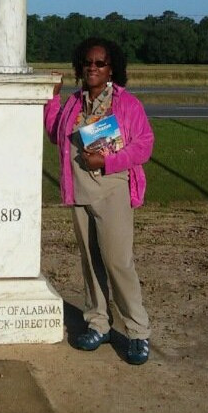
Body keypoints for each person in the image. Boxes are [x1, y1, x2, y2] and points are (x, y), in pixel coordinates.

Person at [44, 37, 154, 365]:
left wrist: (106, 161)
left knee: (118, 262)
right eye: (88, 63)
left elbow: (144, 145)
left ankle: (137, 331)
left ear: (111, 69)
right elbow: (54, 133)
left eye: (100, 64)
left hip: (112, 188)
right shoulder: (75, 103)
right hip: (78, 191)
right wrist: (52, 98)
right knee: (90, 263)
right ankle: (98, 323)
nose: (93, 68)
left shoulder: (126, 104)